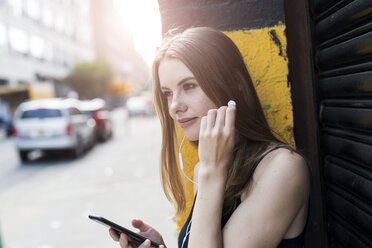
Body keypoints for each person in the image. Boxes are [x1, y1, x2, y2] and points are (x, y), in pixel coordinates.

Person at [109, 27, 311, 248]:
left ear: (236, 85)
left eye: (189, 86)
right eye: (168, 93)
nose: (175, 106)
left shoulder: (283, 169)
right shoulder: (205, 170)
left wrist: (211, 172)